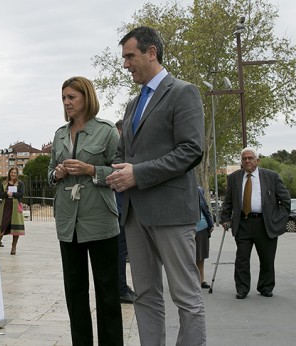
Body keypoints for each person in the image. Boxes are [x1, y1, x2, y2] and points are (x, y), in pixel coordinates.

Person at [106, 26, 206, 345]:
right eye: (123, 58)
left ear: (152, 53)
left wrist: (139, 173)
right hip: (135, 216)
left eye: (129, 56)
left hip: (172, 213)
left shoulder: (183, 92)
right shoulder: (133, 105)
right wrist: (106, 171)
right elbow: (124, 155)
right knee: (145, 296)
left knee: (186, 298)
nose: (125, 64)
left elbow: (192, 150)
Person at [48, 76, 123, 345]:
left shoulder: (106, 131)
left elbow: (120, 172)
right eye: (64, 98)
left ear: (86, 98)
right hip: (68, 224)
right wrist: (56, 173)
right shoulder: (58, 134)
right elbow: (49, 174)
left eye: (72, 97)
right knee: (75, 293)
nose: (66, 102)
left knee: (107, 293)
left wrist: (90, 169)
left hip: (100, 221)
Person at [220, 147, 291, 299]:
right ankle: (242, 289)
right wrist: (225, 218)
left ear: (257, 160)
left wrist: (277, 219)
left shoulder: (271, 176)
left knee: (267, 258)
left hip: (265, 224)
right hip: (243, 223)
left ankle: (265, 287)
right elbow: (228, 201)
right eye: (244, 158)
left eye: (250, 158)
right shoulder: (234, 178)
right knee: (242, 259)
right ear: (241, 162)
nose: (247, 161)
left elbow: (285, 201)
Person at [114, 119, 136, 304]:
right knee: (120, 251)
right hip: (119, 209)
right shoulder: (119, 152)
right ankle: (120, 288)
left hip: (128, 208)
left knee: (125, 251)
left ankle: (122, 287)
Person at [0, 167, 25, 254]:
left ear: (17, 174)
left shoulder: (20, 183)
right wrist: (6, 193)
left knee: (15, 227)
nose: (13, 174)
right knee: (2, 225)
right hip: (5, 207)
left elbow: (21, 194)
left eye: (15, 173)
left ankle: (13, 247)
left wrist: (13, 194)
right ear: (9, 173)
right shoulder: (4, 183)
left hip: (15, 207)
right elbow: (0, 195)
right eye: (11, 172)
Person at [196, 186, 214, 289]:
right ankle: (190, 280)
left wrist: (210, 223)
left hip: (202, 225)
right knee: (187, 256)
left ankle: (201, 280)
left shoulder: (199, 189)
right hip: (186, 227)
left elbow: (205, 206)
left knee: (200, 255)